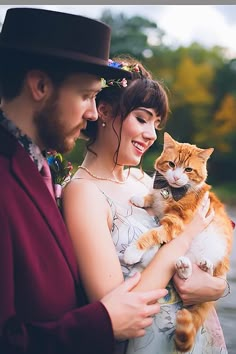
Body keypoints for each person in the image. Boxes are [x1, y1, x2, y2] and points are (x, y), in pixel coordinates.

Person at [0, 8, 171, 354]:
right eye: (86, 96)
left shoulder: (39, 168)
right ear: (41, 86)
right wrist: (102, 322)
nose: (94, 113)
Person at [62, 56, 229, 353]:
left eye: (156, 123)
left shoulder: (144, 180)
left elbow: (208, 257)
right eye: (141, 119)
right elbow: (116, 309)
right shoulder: (82, 192)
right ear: (103, 111)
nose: (152, 135)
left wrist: (218, 287)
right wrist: (185, 238)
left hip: (192, 337)